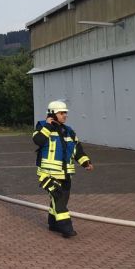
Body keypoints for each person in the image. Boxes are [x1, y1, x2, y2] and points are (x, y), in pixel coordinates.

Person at [33, 100, 94, 238]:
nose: (65, 115)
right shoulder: (42, 126)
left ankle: (53, 224)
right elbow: (38, 141)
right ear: (52, 114)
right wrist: (48, 126)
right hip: (48, 174)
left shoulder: (69, 131)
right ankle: (66, 228)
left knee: (61, 200)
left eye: (65, 112)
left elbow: (77, 149)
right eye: (61, 113)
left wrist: (86, 162)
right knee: (59, 198)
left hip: (66, 174)